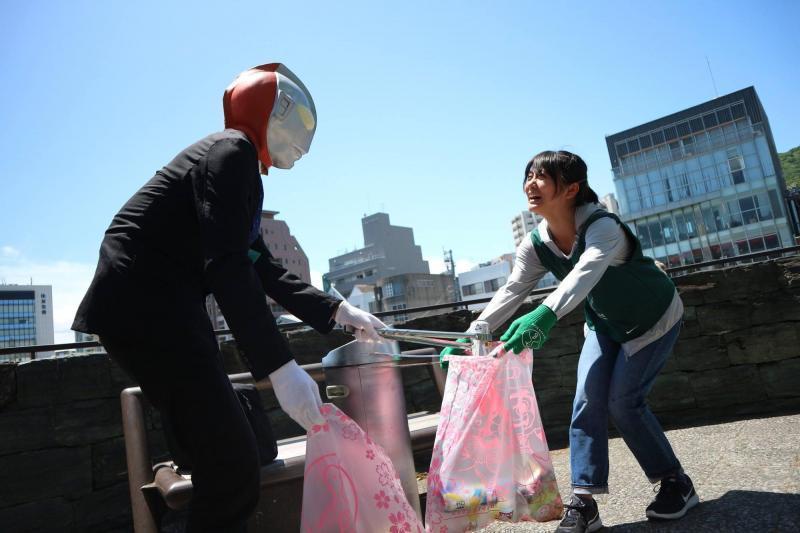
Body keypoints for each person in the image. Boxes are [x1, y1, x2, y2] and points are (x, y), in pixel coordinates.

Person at [72, 63, 386, 532]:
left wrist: (337, 309)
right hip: (148, 306)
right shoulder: (232, 150)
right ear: (265, 112)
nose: (299, 138)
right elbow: (228, 265)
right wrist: (280, 368)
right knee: (233, 464)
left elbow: (259, 262)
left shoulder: (236, 166)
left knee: (228, 454)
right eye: (293, 121)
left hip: (152, 310)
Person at [441, 150, 698, 533]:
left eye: (542, 177)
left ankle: (675, 482)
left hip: (653, 318)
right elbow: (512, 290)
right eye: (528, 175)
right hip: (603, 324)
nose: (531, 183)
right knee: (585, 400)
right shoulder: (537, 243)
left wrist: (544, 314)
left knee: (623, 403)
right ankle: (584, 502)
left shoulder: (602, 227)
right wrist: (471, 336)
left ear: (571, 188)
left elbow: (585, 272)